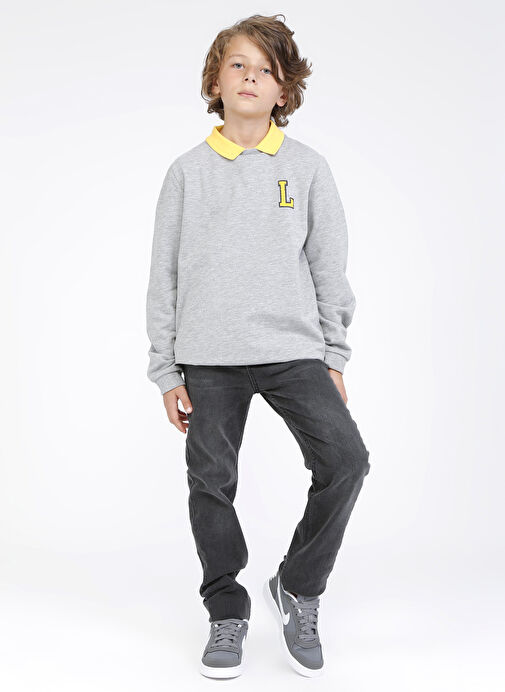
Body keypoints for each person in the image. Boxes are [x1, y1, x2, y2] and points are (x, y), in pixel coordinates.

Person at [146, 13, 371, 679]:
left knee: (346, 461)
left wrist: (332, 355)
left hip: (292, 352)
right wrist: (166, 370)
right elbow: (164, 275)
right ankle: (226, 610)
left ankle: (298, 585)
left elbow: (328, 266)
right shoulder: (186, 173)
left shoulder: (306, 169)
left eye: (265, 69)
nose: (250, 77)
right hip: (208, 358)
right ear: (215, 81)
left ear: (284, 89)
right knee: (210, 482)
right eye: (237, 65)